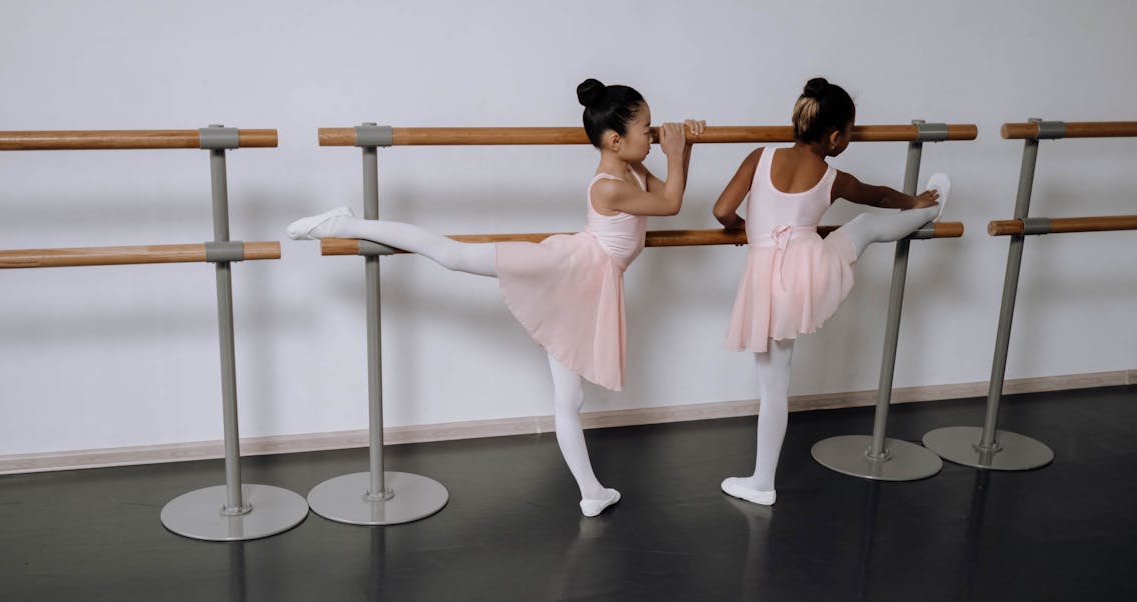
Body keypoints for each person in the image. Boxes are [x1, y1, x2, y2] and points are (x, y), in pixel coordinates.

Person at [289, 78, 704, 517]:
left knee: (569, 399)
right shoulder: (607, 186)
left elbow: (666, 194)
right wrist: (678, 151)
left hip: (588, 286)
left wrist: (685, 149)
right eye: (649, 129)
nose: (655, 136)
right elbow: (673, 203)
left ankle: (591, 493)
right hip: (570, 269)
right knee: (453, 255)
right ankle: (343, 224)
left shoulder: (633, 170)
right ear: (617, 140)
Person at [713, 77, 949, 506]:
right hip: (808, 274)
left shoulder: (759, 156)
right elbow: (876, 196)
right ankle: (928, 208)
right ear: (836, 136)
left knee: (773, 387)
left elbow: (722, 210)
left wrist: (747, 232)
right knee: (866, 227)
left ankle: (763, 482)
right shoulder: (831, 176)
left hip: (764, 282)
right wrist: (910, 200)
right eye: (852, 133)